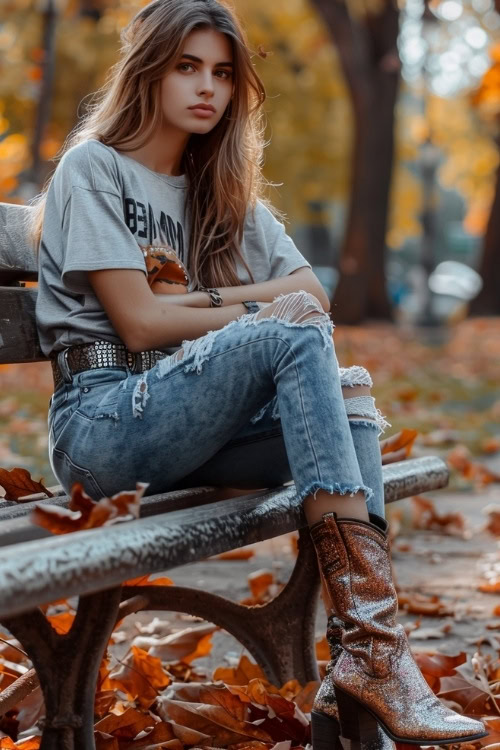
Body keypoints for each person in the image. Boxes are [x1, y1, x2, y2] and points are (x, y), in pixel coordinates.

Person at [32, 1, 486, 748]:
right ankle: (377, 658)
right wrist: (256, 310)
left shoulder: (222, 190)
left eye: (221, 73)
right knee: (290, 334)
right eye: (187, 67)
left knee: (350, 397)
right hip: (104, 425)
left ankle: (366, 662)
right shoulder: (96, 169)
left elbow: (313, 293)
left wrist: (212, 301)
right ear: (148, 70)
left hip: (190, 421)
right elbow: (141, 321)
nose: (207, 88)